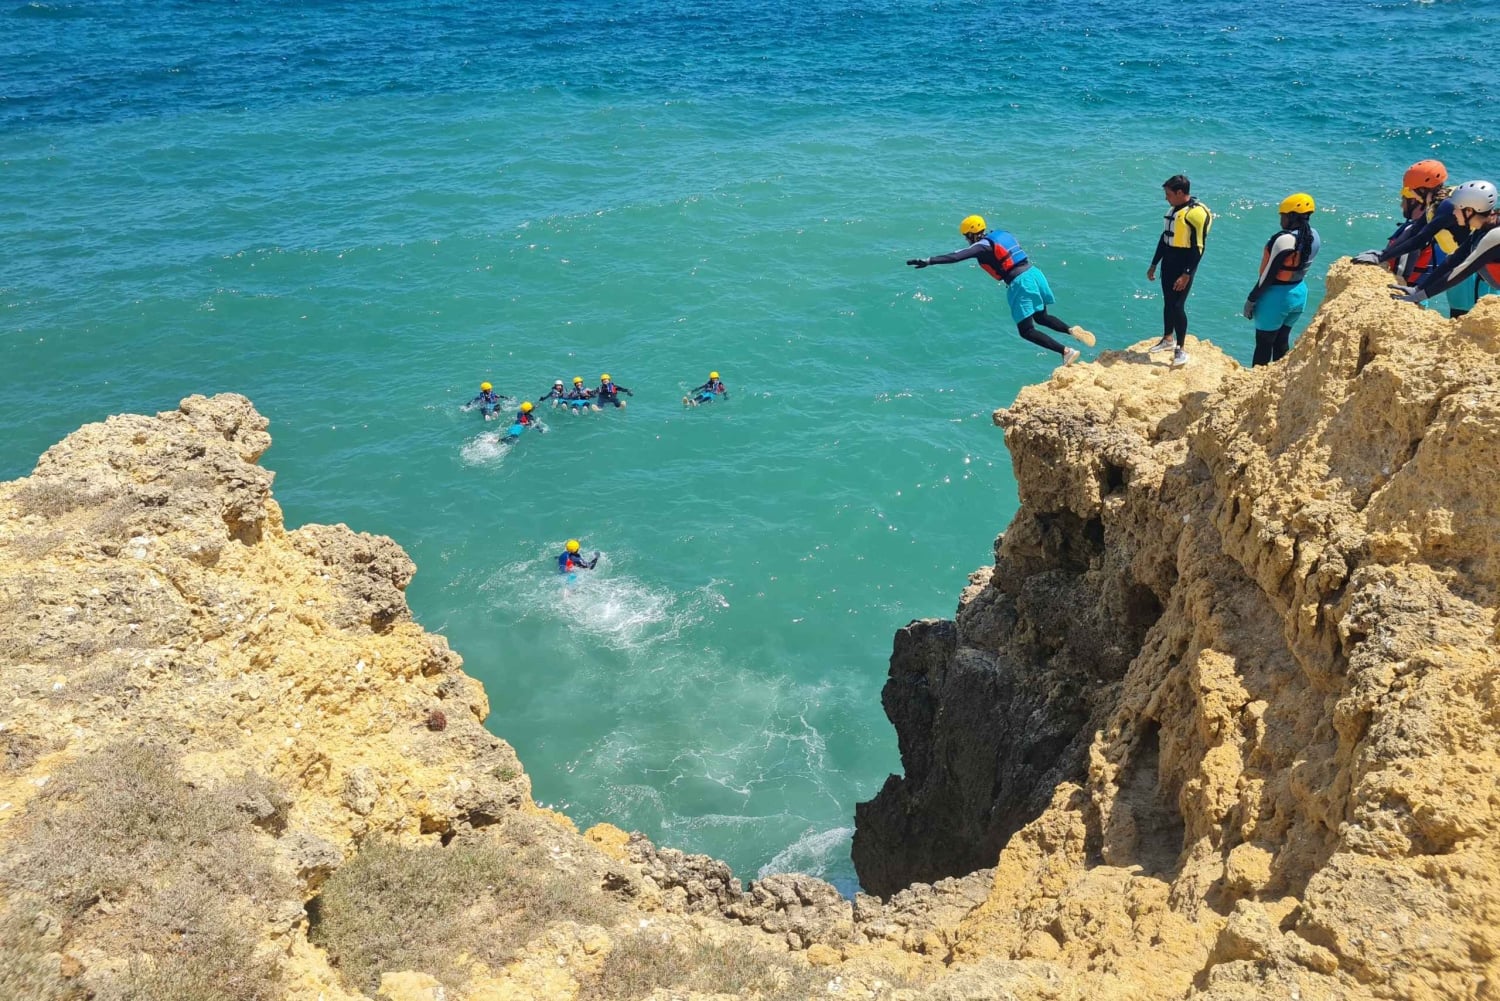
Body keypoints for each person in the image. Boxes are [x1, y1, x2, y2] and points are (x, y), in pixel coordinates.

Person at [907, 215, 1095, 367]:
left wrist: (929, 261)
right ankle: (1072, 330)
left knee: (1026, 330)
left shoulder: (981, 246)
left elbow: (956, 257)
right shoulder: (1002, 234)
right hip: (1034, 274)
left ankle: (1066, 352)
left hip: (1020, 282)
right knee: (1041, 317)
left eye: (966, 236)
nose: (966, 240)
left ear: (972, 234)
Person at [1352, 161, 1479, 317]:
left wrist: (1383, 257)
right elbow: (1414, 231)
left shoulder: (1447, 208)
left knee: (1466, 318)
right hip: (1462, 265)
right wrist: (1382, 254)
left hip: (1475, 272)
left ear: (1423, 190)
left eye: (1410, 192)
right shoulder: (1439, 202)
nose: (1410, 197)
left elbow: (1419, 238)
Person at [1391, 181, 1499, 311]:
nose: (1453, 213)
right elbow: (1454, 260)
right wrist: (1418, 289)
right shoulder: (1483, 228)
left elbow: (1463, 270)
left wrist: (1421, 295)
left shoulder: (1494, 236)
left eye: (1457, 208)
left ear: (1469, 211)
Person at [1244, 193, 1321, 367]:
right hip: (1298, 294)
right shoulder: (1314, 236)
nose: (1281, 220)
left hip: (1276, 298)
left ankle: (1255, 387)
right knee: (1281, 341)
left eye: (1283, 215)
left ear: (1292, 216)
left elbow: (1268, 275)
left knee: (1263, 345)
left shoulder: (1285, 240)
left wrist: (1251, 299)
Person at [1145, 175, 1212, 366]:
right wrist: (1154, 264)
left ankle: (1180, 349)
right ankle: (1167, 339)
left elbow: (1198, 248)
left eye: (1168, 194)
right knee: (1168, 302)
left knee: (1177, 306)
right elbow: (1164, 238)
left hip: (1185, 264)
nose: (1166, 198)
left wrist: (1186, 274)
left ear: (1180, 192)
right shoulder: (1174, 210)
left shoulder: (1195, 214)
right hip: (1169, 261)